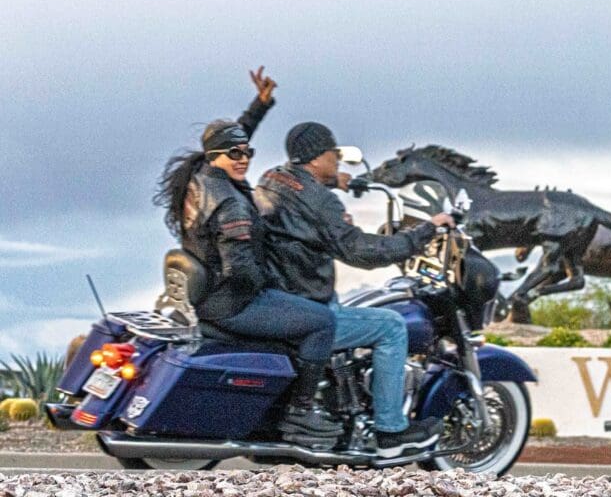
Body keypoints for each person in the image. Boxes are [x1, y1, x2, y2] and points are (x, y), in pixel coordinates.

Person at [153, 69, 343, 440]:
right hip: (234, 302)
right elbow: (241, 269)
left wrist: (260, 105)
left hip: (209, 296)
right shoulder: (231, 205)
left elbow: (232, 139)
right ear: (216, 155)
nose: (243, 159)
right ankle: (300, 413)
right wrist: (276, 283)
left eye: (248, 152)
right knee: (322, 321)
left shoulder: (203, 177)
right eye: (235, 154)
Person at [255, 122, 452, 457]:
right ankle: (391, 432)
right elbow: (361, 251)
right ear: (317, 157)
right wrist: (422, 233)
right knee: (390, 325)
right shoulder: (321, 201)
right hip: (309, 304)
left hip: (281, 296)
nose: (339, 162)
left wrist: (339, 183)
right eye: (335, 155)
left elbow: (308, 197)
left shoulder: (272, 179)